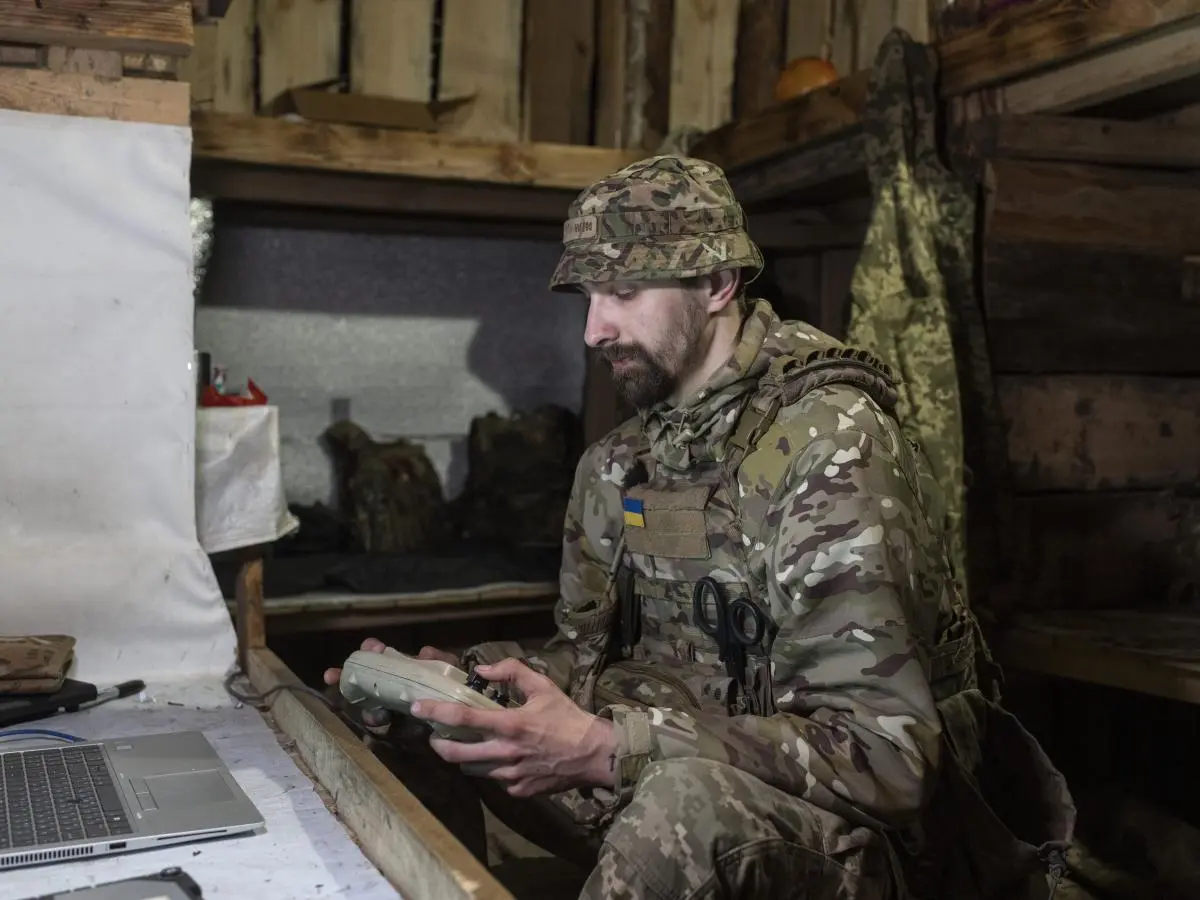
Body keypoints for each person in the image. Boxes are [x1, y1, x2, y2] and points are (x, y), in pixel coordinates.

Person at [324, 155, 1071, 899]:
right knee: (438, 719)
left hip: (883, 847)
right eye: (587, 295)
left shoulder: (830, 447)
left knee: (680, 813)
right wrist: (474, 682)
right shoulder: (618, 466)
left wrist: (613, 746)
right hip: (683, 779)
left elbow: (887, 757)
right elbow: (585, 662)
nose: (593, 329)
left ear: (718, 285)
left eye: (622, 291)